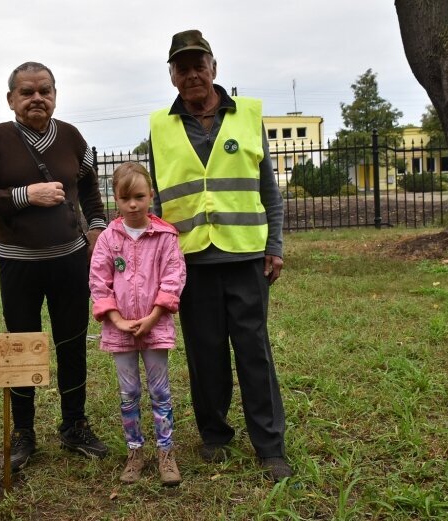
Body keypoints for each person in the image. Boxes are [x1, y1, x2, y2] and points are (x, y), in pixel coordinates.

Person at [148, 30, 293, 482]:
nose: (192, 74)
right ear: (172, 76)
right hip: (190, 261)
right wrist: (158, 260)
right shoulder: (160, 127)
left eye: (199, 65)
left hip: (246, 256)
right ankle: (214, 436)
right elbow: (156, 202)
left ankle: (269, 446)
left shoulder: (247, 116)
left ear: (214, 68)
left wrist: (275, 246)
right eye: (182, 67)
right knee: (204, 353)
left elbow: (268, 188)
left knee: (254, 351)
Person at [0, 61, 108, 471]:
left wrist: (97, 229)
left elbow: (90, 194)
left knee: (72, 342)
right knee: (20, 347)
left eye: (45, 90)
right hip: (19, 266)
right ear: (11, 99)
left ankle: (74, 425)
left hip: (69, 262)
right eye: (27, 92)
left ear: (55, 95)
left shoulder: (72, 138)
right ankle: (24, 432)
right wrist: (27, 194)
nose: (36, 99)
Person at [89, 162, 186, 486]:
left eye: (140, 197)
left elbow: (173, 277)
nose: (133, 204)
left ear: (151, 196)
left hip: (155, 328)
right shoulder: (107, 239)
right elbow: (99, 281)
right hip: (120, 331)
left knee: (160, 391)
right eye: (126, 197)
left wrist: (154, 315)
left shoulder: (165, 236)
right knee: (128, 392)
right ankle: (135, 452)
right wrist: (115, 318)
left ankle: (165, 453)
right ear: (114, 198)